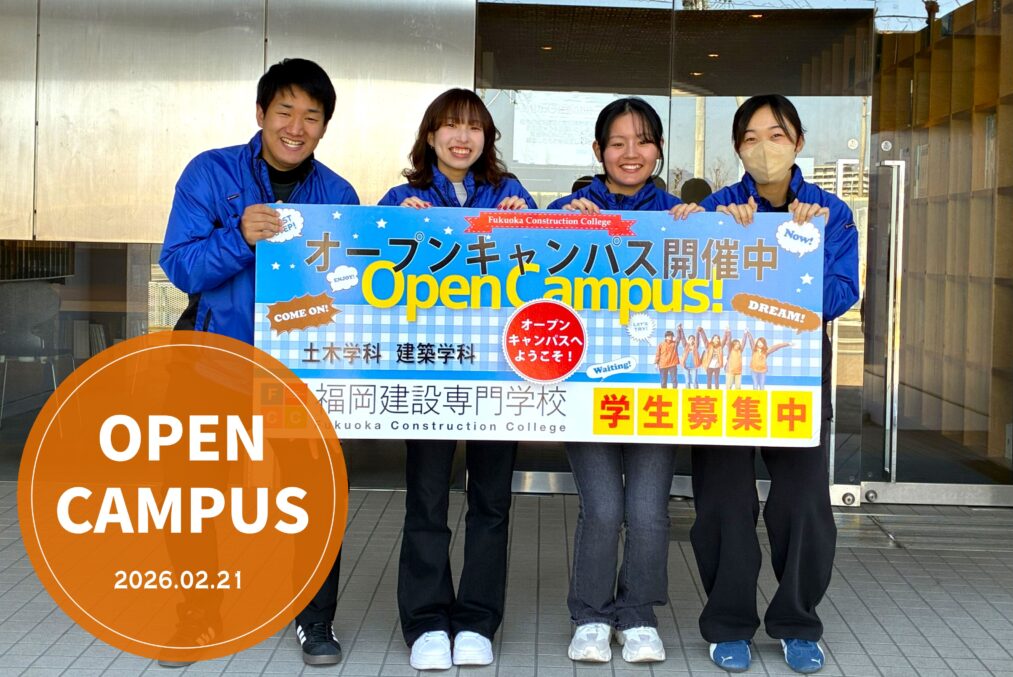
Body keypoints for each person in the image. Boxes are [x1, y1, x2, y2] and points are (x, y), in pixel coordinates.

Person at [160, 58, 358, 667]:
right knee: (195, 496)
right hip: (211, 360)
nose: (296, 127)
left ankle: (314, 619)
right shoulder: (210, 171)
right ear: (260, 113)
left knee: (314, 496)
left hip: (301, 372)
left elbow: (348, 292)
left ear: (324, 126)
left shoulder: (339, 195)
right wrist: (238, 237)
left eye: (312, 117)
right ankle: (198, 616)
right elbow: (180, 265)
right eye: (285, 111)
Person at [689, 94, 859, 674]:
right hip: (723, 374)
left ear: (798, 142)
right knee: (724, 501)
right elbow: (689, 289)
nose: (765, 148)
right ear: (738, 149)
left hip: (796, 375)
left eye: (777, 135)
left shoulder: (829, 211)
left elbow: (840, 293)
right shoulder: (717, 208)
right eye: (752, 138)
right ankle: (729, 623)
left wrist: (794, 247)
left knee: (803, 502)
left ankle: (797, 622)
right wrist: (720, 231)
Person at [378, 88, 536, 671]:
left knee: (491, 502)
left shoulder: (511, 193)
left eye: (473, 127)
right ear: (430, 135)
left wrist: (528, 225)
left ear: (487, 137)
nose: (461, 137)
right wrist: (394, 228)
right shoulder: (400, 198)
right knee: (426, 499)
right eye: (450, 125)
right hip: (430, 372)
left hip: (499, 376)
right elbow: (368, 269)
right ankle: (425, 621)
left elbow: (548, 268)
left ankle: (477, 620)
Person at [550, 97, 695, 665]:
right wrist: (557, 221)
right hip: (586, 390)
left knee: (649, 510)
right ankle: (590, 615)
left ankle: (638, 616)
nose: (630, 153)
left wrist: (704, 225)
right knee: (604, 508)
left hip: (657, 391)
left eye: (643, 141)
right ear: (598, 151)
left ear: (658, 149)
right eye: (617, 142)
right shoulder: (567, 212)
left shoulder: (681, 216)